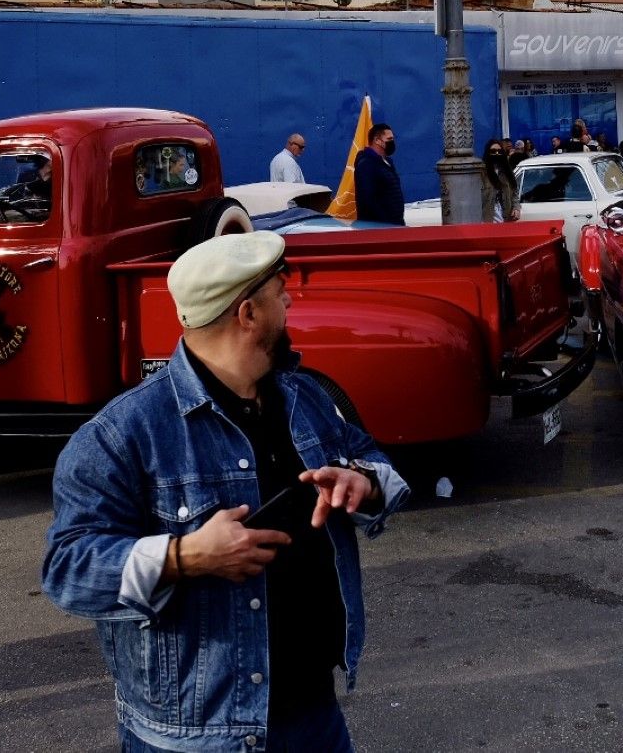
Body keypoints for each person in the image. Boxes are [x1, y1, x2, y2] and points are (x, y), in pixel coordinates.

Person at [42, 231, 407, 751]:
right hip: (196, 736)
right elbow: (66, 570)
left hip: (313, 714)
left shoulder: (305, 397)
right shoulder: (122, 434)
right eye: (280, 290)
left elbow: (381, 467)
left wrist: (363, 484)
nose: (289, 299)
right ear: (247, 314)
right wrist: (185, 556)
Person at [352, 123, 404, 226]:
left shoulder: (387, 162)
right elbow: (367, 199)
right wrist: (384, 223)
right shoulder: (366, 164)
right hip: (379, 227)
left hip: (395, 224)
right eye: (389, 139)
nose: (392, 142)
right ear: (377, 140)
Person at [481, 140, 519, 222]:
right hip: (488, 217)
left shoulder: (507, 172)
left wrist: (516, 208)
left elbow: (514, 193)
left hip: (506, 216)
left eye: (499, 151)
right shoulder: (482, 173)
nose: (497, 154)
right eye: (493, 151)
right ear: (488, 153)